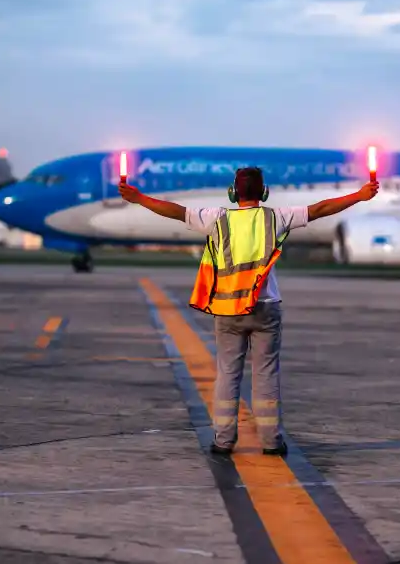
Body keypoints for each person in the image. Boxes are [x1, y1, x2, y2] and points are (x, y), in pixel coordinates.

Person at [119, 167, 379, 456]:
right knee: (266, 374)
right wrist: (360, 195)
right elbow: (321, 209)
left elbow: (175, 211)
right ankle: (271, 441)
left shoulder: (216, 218)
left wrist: (139, 197)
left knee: (227, 374)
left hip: (228, 310)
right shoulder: (276, 217)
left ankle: (223, 440)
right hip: (265, 309)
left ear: (233, 192)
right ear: (264, 192)